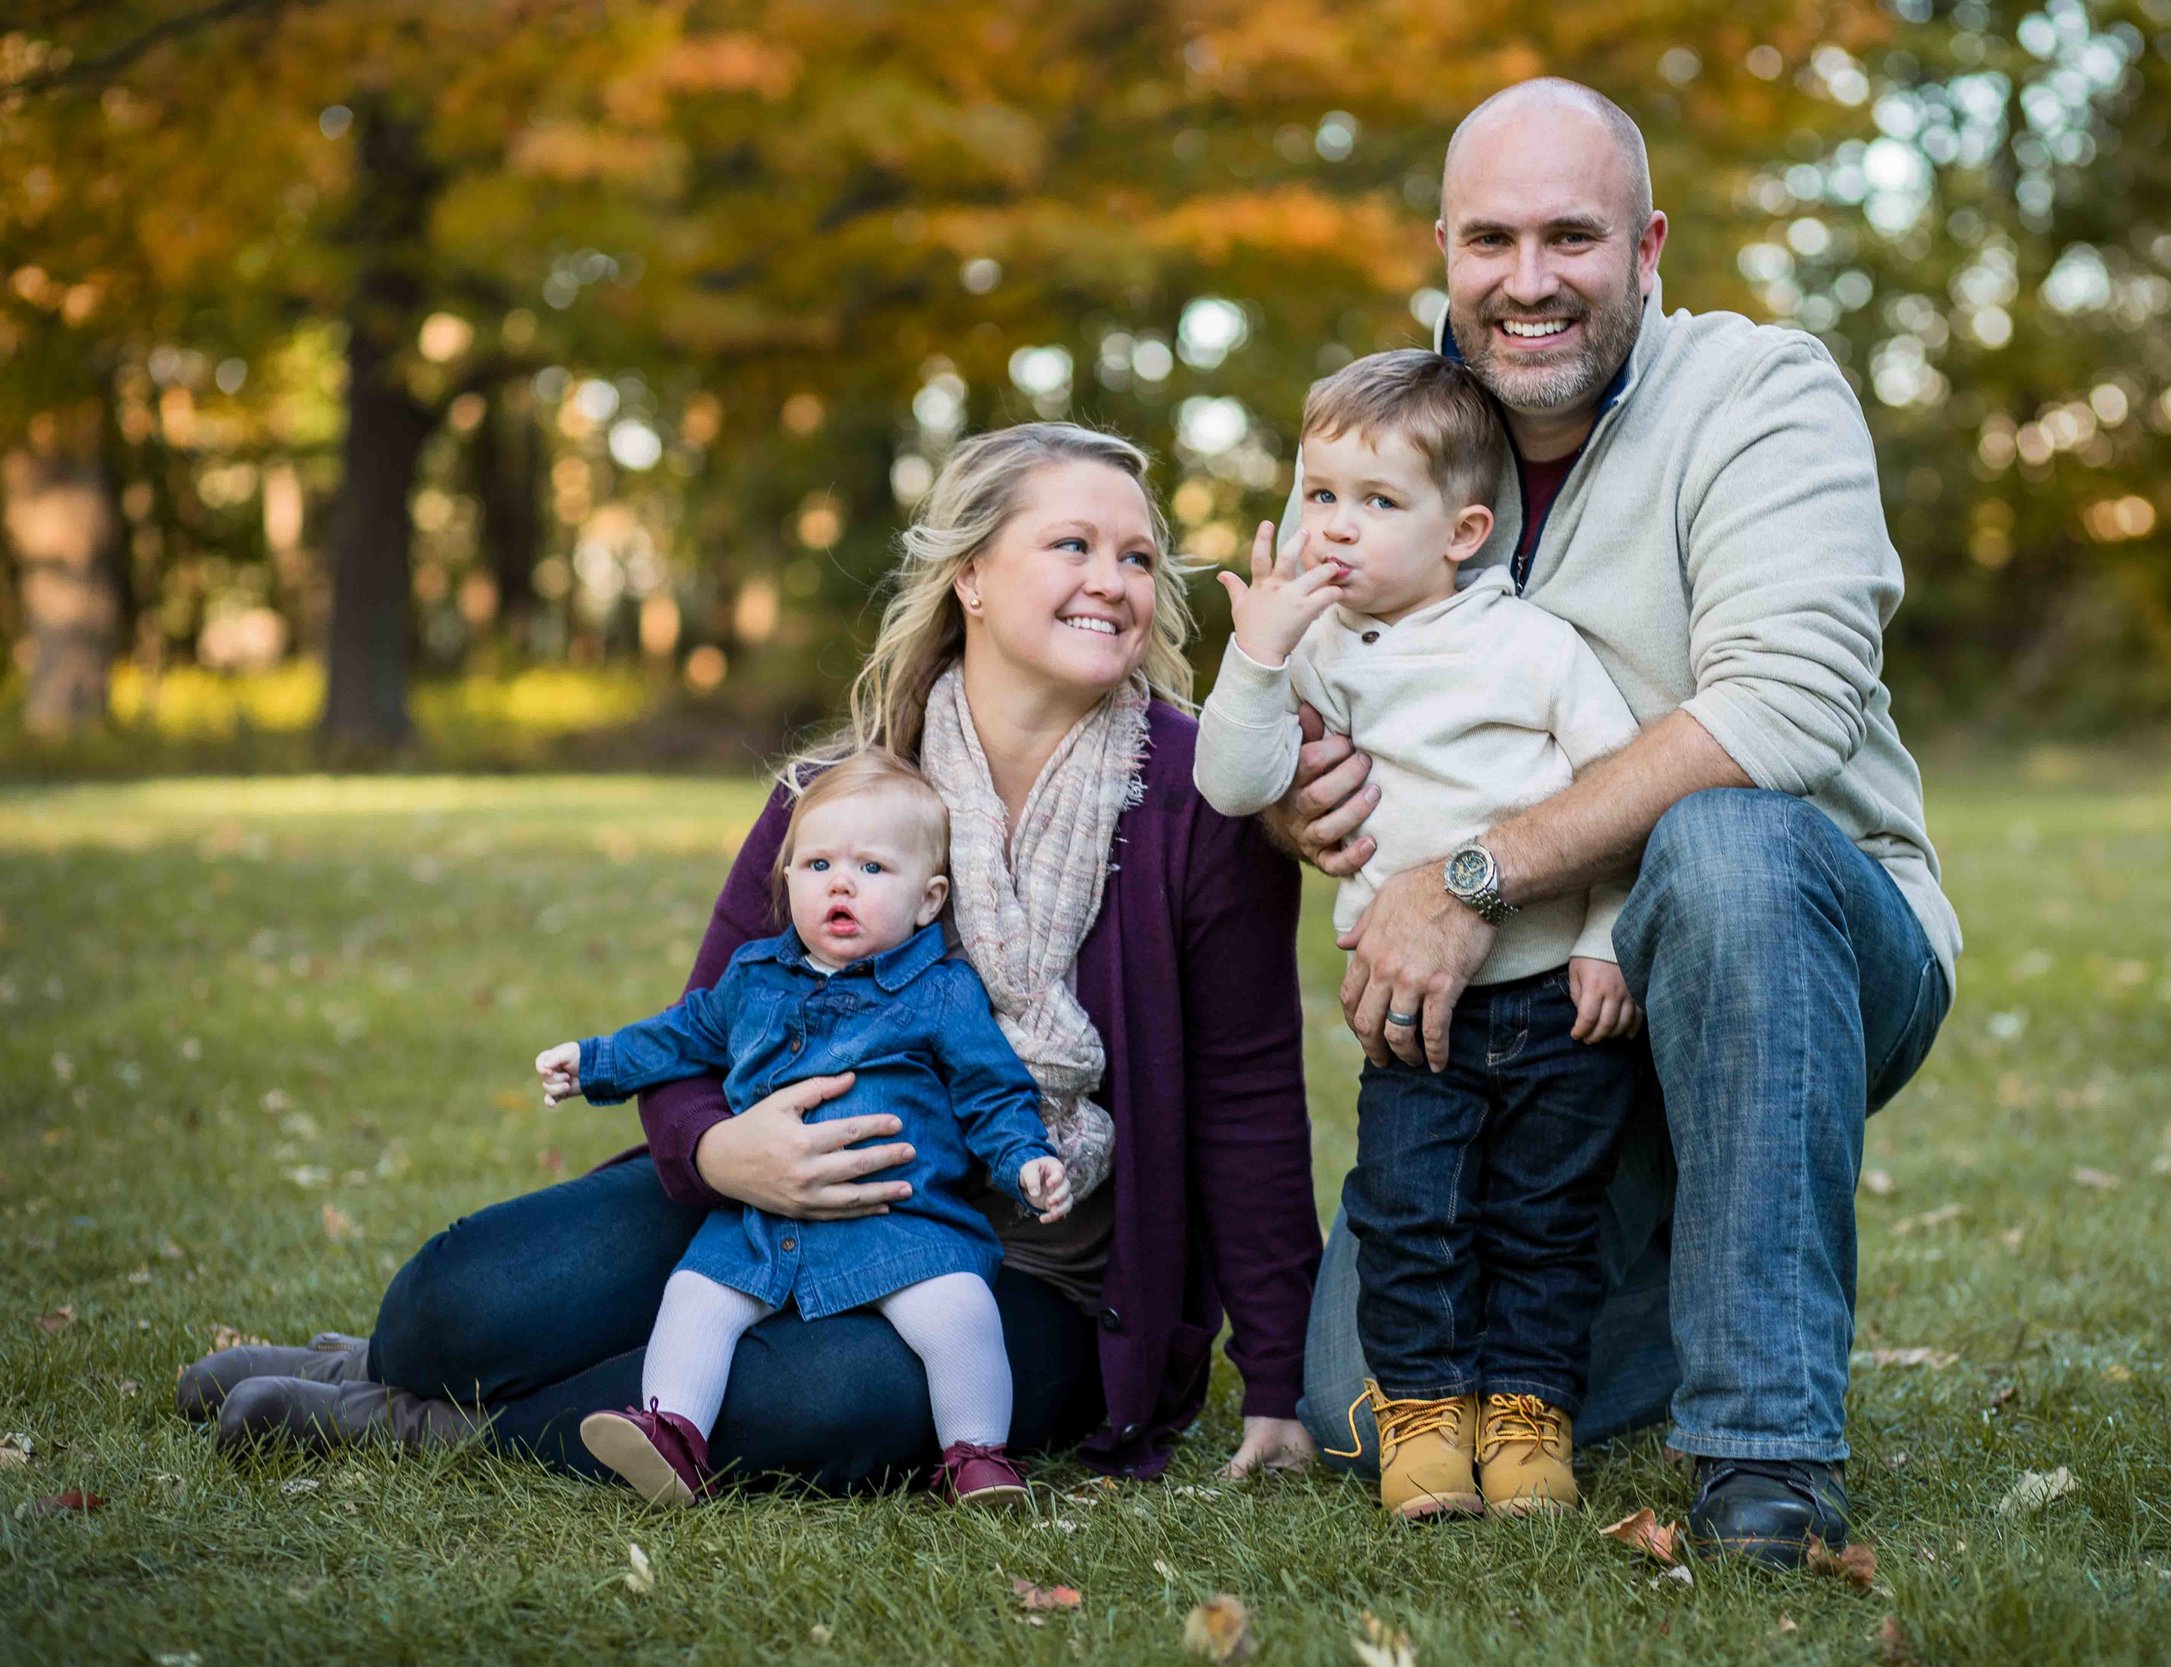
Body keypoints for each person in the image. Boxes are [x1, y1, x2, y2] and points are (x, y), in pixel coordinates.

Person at [181, 423, 1324, 1490]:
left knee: (819, 1401)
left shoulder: (1195, 797)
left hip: (1025, 1266)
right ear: (970, 575)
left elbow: (1247, 1093)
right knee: (456, 1303)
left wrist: (1273, 1378)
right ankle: (390, 1363)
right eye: (1070, 543)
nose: (1112, 580)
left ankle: (416, 1420)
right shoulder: (836, 793)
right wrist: (724, 1151)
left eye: (1137, 555)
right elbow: (702, 1029)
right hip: (767, 1181)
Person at [1279, 81, 1961, 1566]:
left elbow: (1782, 713)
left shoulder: (1765, 393)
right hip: (1536, 1021)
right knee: (1360, 1397)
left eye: (1572, 236)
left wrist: (1477, 871)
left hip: (1802, 941)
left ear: (1648, 245)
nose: (1529, 280)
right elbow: (1318, 689)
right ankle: (1699, 1261)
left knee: (1726, 841)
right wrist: (1298, 788)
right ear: (1442, 247)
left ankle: (1764, 1455)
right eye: (1493, 238)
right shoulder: (1387, 434)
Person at [1193, 350, 1644, 1519]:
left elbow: (1620, 795)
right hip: (1411, 1008)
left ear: (1463, 529)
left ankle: (1531, 1414)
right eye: (1322, 493)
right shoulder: (1328, 656)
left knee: (1547, 1220)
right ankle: (1427, 1416)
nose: (1334, 528)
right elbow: (1237, 783)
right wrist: (1257, 655)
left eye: (1377, 503)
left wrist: (1604, 932)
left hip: (1551, 998)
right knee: (1409, 1213)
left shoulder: (1534, 648)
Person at [535, 751, 1071, 1508]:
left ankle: (975, 1455)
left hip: (902, 1226)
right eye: (817, 863)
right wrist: (592, 1063)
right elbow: (678, 1037)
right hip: (762, 1222)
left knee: (959, 1308)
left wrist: (1025, 1159)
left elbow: (992, 1091)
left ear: (929, 899)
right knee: (695, 1296)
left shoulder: (942, 992)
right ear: (787, 884)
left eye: (874, 867)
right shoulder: (754, 976)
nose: (840, 882)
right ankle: (673, 1433)